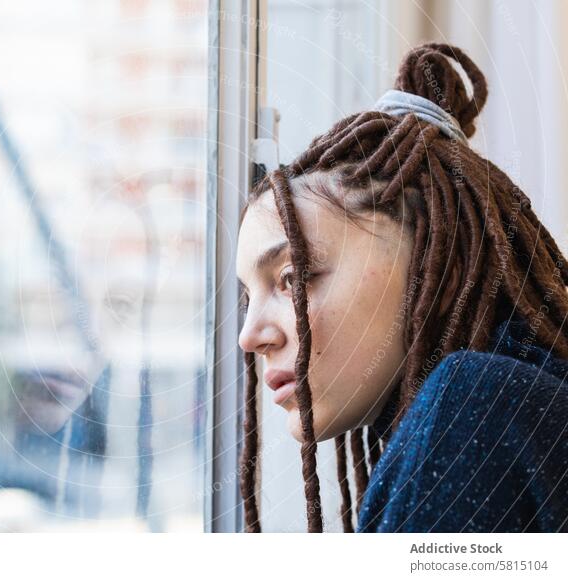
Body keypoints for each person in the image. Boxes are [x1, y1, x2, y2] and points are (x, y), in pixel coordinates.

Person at [235, 43, 568, 533]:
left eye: (293, 278)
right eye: (248, 298)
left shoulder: (475, 409)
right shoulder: (524, 404)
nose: (250, 335)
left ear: (433, 251)